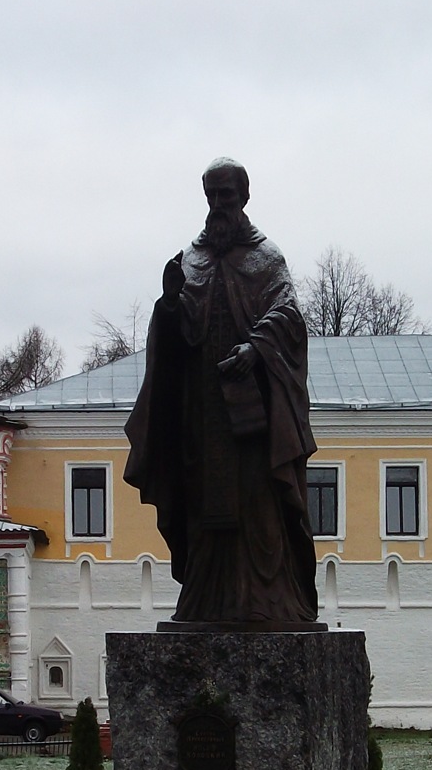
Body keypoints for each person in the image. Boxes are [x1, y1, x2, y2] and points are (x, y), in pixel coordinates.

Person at [123, 158, 321, 629]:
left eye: (226, 195)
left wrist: (256, 348)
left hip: (251, 414)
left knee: (258, 507)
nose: (217, 205)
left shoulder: (266, 258)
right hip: (201, 411)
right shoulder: (190, 258)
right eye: (210, 195)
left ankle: (268, 602)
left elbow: (289, 314)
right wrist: (170, 304)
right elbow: (179, 334)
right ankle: (203, 601)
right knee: (201, 509)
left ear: (244, 197)